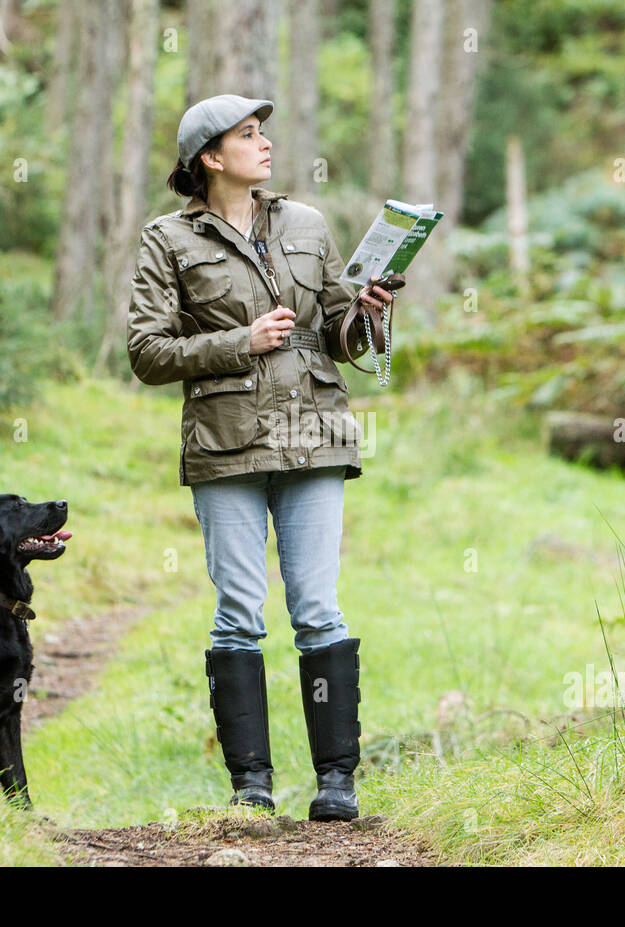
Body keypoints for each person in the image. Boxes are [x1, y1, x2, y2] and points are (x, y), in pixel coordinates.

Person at [126, 94, 396, 821]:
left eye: (264, 130)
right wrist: (238, 342)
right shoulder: (166, 241)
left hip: (313, 435)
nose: (265, 143)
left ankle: (337, 782)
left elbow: (338, 332)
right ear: (211, 158)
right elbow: (146, 353)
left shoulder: (306, 223)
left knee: (317, 609)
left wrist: (366, 314)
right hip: (225, 445)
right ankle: (251, 788)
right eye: (248, 135)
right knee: (239, 614)